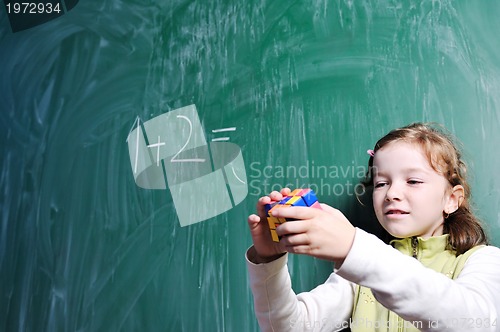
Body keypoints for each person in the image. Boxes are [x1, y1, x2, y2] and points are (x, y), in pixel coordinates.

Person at [246, 123, 500, 332]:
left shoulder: (484, 260)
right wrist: (269, 261)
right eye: (381, 183)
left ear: (451, 199)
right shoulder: (355, 278)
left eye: (412, 180)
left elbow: (471, 322)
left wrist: (353, 247)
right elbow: (290, 327)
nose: (392, 193)